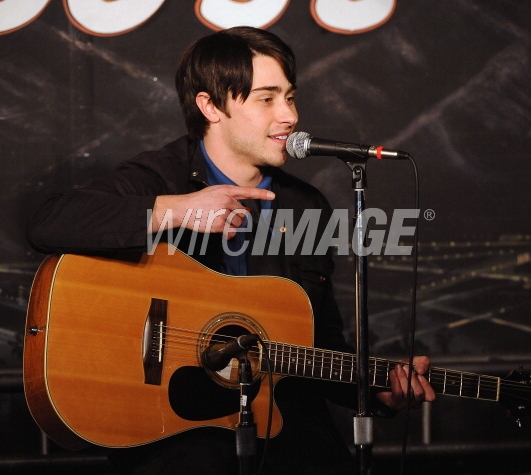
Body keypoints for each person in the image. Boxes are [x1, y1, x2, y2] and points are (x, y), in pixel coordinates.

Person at [27, 26, 436, 475]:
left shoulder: (304, 205)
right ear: (210, 105)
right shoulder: (162, 178)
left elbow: (315, 344)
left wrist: (376, 392)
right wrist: (172, 210)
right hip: (177, 424)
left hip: (278, 421)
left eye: (290, 97)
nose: (289, 115)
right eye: (266, 99)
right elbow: (49, 221)